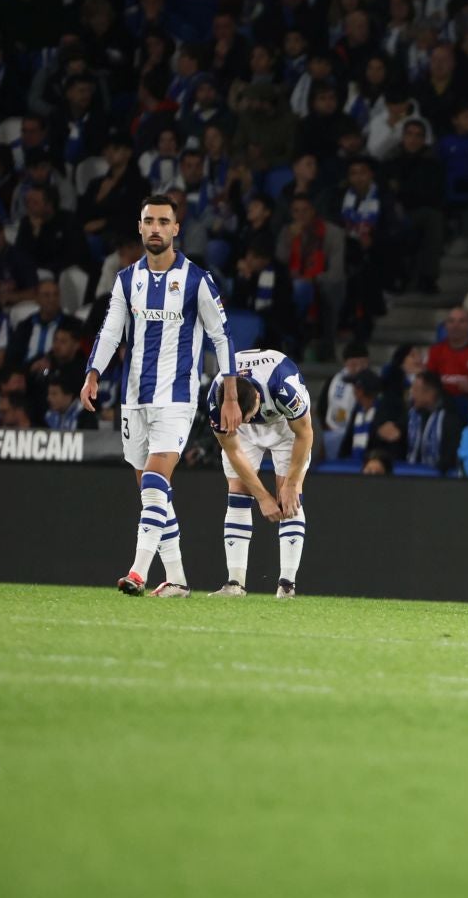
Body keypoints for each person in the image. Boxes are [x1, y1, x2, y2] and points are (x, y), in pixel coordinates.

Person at [84, 194, 240, 597]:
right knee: (153, 493)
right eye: (148, 220)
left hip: (177, 398)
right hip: (133, 399)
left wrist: (230, 394)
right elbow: (110, 332)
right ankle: (177, 580)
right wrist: (92, 373)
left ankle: (137, 571)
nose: (155, 227)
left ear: (175, 229)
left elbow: (221, 337)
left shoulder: (196, 280)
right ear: (140, 227)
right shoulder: (125, 280)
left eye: (163, 221)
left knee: (155, 479)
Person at [205, 348, 313, 599]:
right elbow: (232, 451)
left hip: (285, 425)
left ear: (256, 396)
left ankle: (287, 585)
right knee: (238, 493)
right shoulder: (216, 400)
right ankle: (235, 583)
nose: (246, 420)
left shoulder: (283, 385)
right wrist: (262, 497)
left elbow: (305, 433)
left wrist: (291, 483)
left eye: (247, 416)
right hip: (242, 430)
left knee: (289, 498)